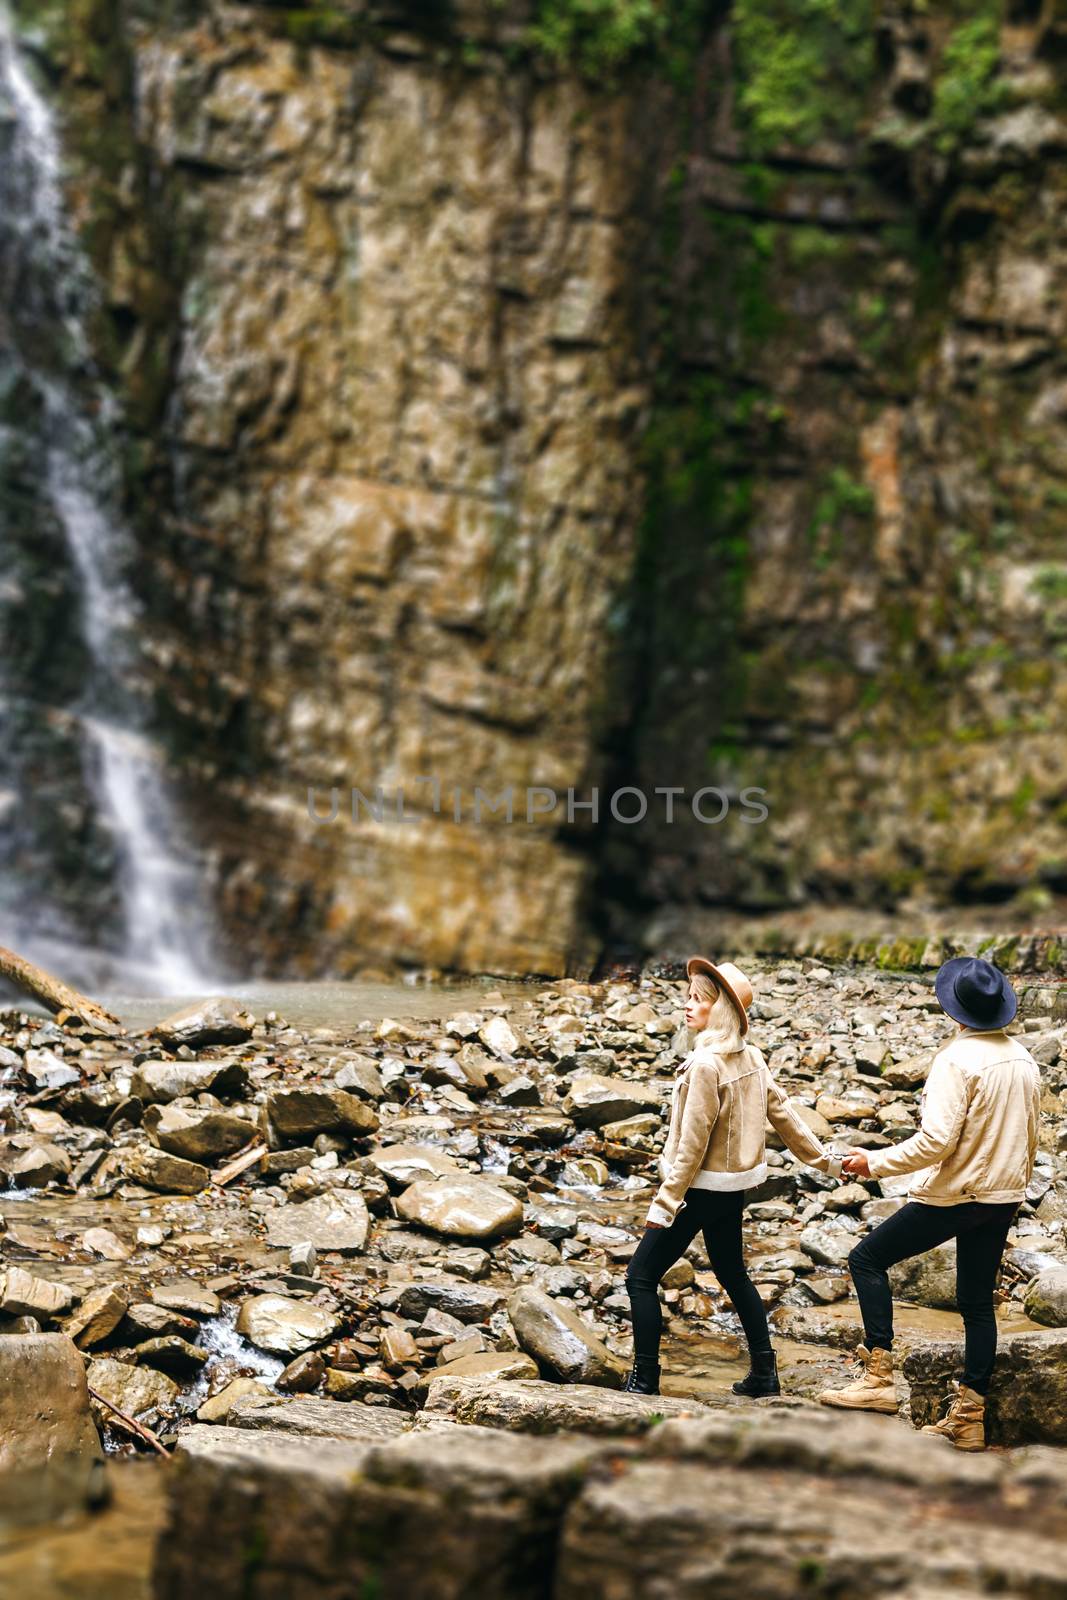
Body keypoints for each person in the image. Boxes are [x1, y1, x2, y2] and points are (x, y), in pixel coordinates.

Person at [817, 955, 1041, 1451]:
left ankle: (876, 1377)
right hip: (1002, 1195)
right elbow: (1031, 1134)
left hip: (957, 1195)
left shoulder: (955, 1060)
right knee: (976, 1304)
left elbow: (935, 1142)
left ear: (955, 1011)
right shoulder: (1024, 1059)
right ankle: (969, 1418)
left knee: (866, 1258)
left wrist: (871, 1162)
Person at [624, 955, 844, 1397]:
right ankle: (765, 1373)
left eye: (698, 1000)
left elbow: (693, 1143)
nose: (687, 1006)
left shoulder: (706, 1066)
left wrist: (665, 1202)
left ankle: (644, 1379)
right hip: (732, 1189)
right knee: (733, 1273)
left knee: (640, 1278)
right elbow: (787, 1117)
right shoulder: (752, 1057)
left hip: (698, 1188)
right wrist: (828, 1162)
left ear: (719, 1009)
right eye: (687, 997)